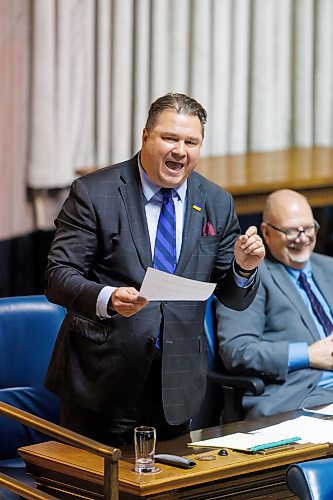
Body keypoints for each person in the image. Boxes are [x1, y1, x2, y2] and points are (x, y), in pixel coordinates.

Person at [44, 92, 265, 445]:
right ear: (146, 136)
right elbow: (58, 276)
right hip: (102, 382)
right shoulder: (94, 192)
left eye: (191, 142)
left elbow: (233, 297)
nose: (180, 151)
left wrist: (242, 267)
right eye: (170, 138)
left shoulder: (215, 201)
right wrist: (109, 297)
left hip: (176, 384)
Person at [216, 189, 333, 419]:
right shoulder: (250, 277)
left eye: (309, 228)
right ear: (267, 233)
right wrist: (308, 354)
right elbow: (238, 351)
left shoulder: (328, 266)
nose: (302, 238)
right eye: (291, 231)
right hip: (301, 394)